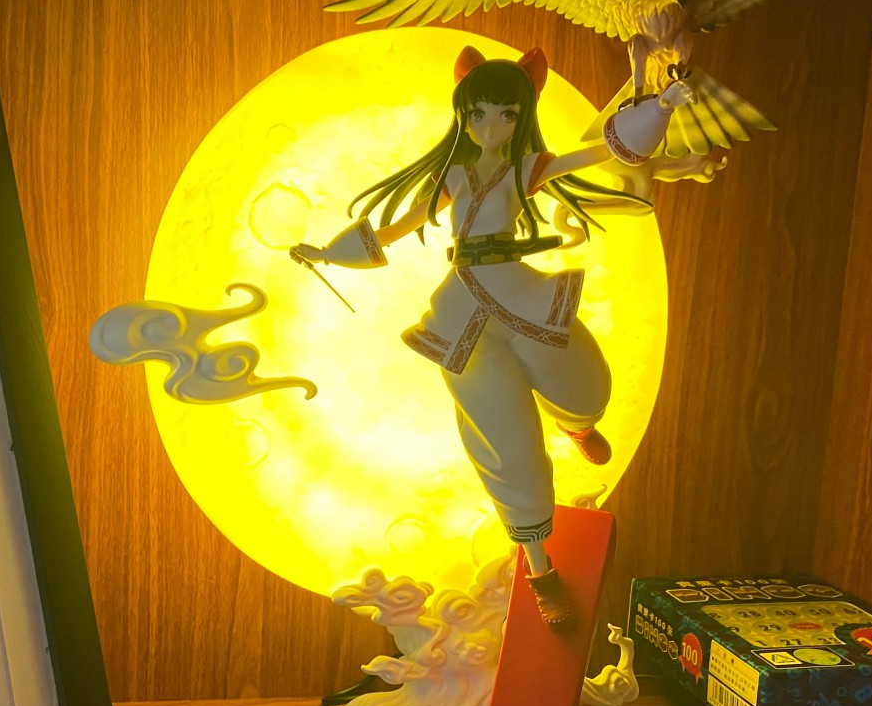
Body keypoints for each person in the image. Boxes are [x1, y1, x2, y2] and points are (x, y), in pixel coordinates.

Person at [291, 47, 694, 631]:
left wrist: (659, 107)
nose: (491, 126)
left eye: (506, 114)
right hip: (462, 314)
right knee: (505, 441)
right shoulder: (452, 176)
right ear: (463, 114)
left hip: (520, 289)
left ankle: (578, 424)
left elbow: (595, 153)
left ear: (522, 115)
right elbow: (396, 228)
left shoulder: (525, 167)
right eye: (478, 114)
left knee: (583, 381)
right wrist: (328, 252)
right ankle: (540, 569)